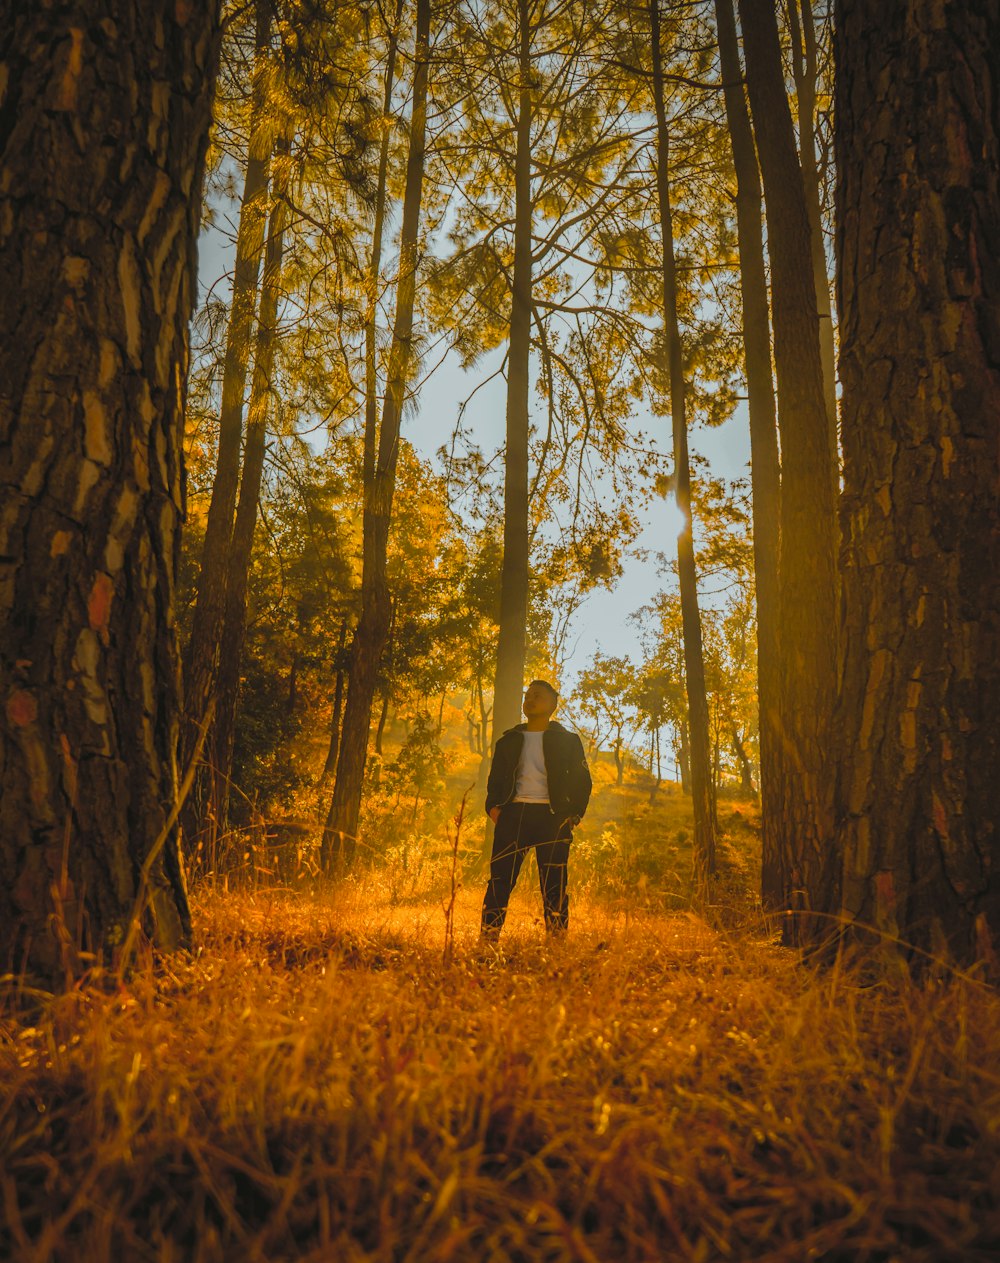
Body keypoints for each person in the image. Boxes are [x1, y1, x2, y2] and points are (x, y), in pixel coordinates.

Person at [481, 679, 592, 940]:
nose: (530, 699)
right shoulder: (508, 740)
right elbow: (494, 780)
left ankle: (556, 944)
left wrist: (573, 816)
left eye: (538, 695)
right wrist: (494, 810)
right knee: (500, 882)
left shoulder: (568, 741)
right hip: (513, 816)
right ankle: (487, 940)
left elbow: (583, 781)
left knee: (555, 886)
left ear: (553, 704)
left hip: (552, 818)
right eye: (528, 695)